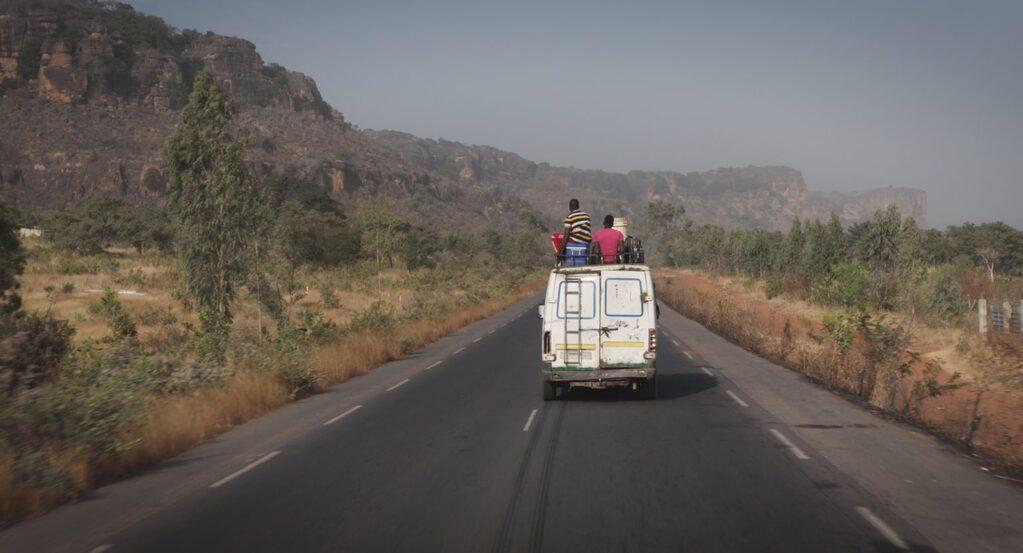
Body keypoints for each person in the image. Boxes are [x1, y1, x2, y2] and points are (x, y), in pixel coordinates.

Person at [561, 199, 591, 266]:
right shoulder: (586, 216)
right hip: (587, 242)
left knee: (560, 239)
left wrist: (561, 252)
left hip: (576, 240)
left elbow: (566, 235)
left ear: (570, 207)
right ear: (578, 206)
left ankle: (563, 258)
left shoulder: (569, 217)